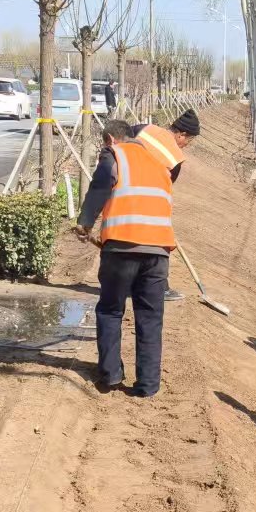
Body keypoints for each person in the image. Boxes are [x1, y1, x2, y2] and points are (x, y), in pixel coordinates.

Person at [76, 109, 200, 396]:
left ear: (111, 139)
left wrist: (85, 223)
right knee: (150, 318)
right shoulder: (163, 163)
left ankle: (110, 376)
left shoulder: (115, 155)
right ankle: (148, 385)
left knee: (110, 310)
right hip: (158, 252)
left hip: (121, 247)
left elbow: (100, 187)